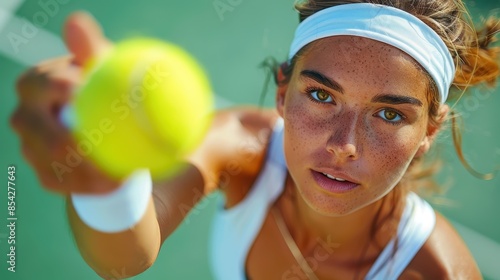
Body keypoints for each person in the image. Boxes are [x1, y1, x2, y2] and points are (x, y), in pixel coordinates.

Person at [10, 0, 500, 279]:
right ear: (283, 95)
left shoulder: (443, 274)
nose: (345, 144)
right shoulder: (243, 146)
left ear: (428, 133)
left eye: (390, 113)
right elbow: (125, 256)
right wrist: (102, 180)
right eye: (321, 96)